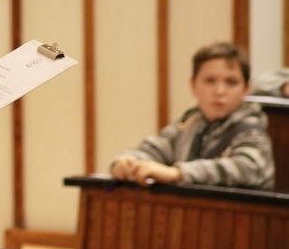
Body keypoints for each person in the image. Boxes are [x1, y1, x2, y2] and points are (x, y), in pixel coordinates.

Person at [110, 42, 275, 190]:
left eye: (231, 82)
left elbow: (246, 168)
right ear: (193, 85)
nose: (220, 91)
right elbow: (153, 149)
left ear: (246, 89)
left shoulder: (252, 129)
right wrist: (127, 163)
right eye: (210, 81)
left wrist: (178, 173)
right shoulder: (189, 123)